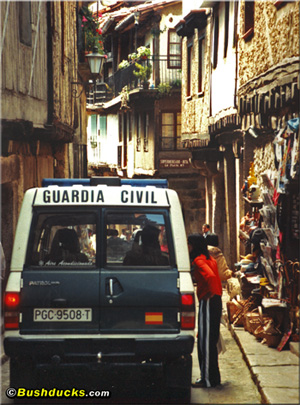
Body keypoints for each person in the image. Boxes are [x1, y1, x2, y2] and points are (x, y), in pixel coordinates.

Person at [188, 234, 222, 388]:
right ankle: (212, 378)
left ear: (193, 245)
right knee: (208, 339)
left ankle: (207, 379)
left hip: (208, 301)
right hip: (214, 301)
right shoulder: (209, 258)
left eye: (189, 244)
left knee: (205, 342)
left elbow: (211, 276)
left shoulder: (198, 260)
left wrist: (209, 294)